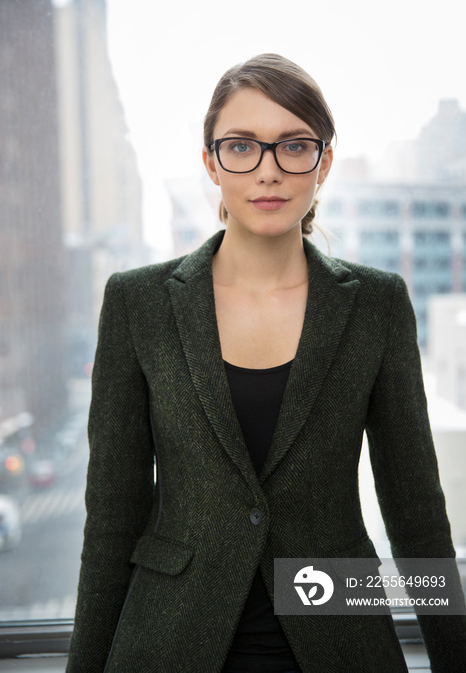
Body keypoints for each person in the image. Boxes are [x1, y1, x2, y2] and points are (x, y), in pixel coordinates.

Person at [66, 54, 466, 673]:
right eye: (242, 147)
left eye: (294, 147)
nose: (269, 171)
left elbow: (415, 513)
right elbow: (113, 518)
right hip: (170, 641)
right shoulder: (137, 302)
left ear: (323, 162)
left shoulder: (377, 304)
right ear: (211, 163)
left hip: (340, 633)